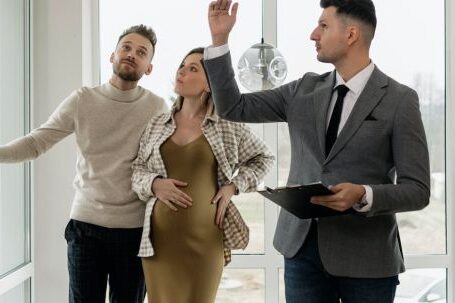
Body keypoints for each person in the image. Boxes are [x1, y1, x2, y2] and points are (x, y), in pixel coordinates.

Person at [204, 0, 431, 302]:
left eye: (323, 25)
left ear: (351, 35)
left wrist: (365, 194)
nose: (313, 34)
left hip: (368, 260)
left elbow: (417, 190)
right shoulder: (302, 90)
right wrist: (220, 41)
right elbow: (233, 106)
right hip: (301, 253)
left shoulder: (400, 100)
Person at [0, 24, 167, 303]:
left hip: (136, 232)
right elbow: (36, 142)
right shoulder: (83, 100)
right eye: (126, 47)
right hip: (86, 227)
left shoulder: (157, 107)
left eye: (141, 52)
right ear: (111, 55)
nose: (131, 54)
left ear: (149, 67)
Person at [131, 47, 274, 303]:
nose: (182, 71)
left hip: (206, 242)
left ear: (209, 84)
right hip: (158, 244)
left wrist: (233, 187)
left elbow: (264, 158)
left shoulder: (226, 125)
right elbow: (137, 170)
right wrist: (154, 184)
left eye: (193, 68)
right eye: (182, 66)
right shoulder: (156, 123)